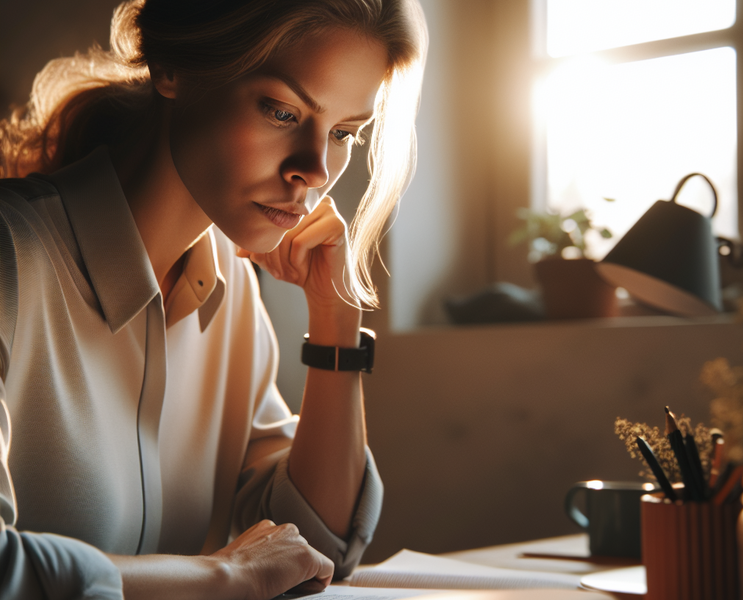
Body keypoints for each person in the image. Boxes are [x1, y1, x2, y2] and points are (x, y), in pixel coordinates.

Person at [0, 0, 426, 598]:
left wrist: (336, 323)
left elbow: (314, 550)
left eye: (343, 133)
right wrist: (226, 575)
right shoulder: (11, 263)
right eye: (282, 111)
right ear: (173, 66)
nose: (315, 168)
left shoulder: (231, 292)